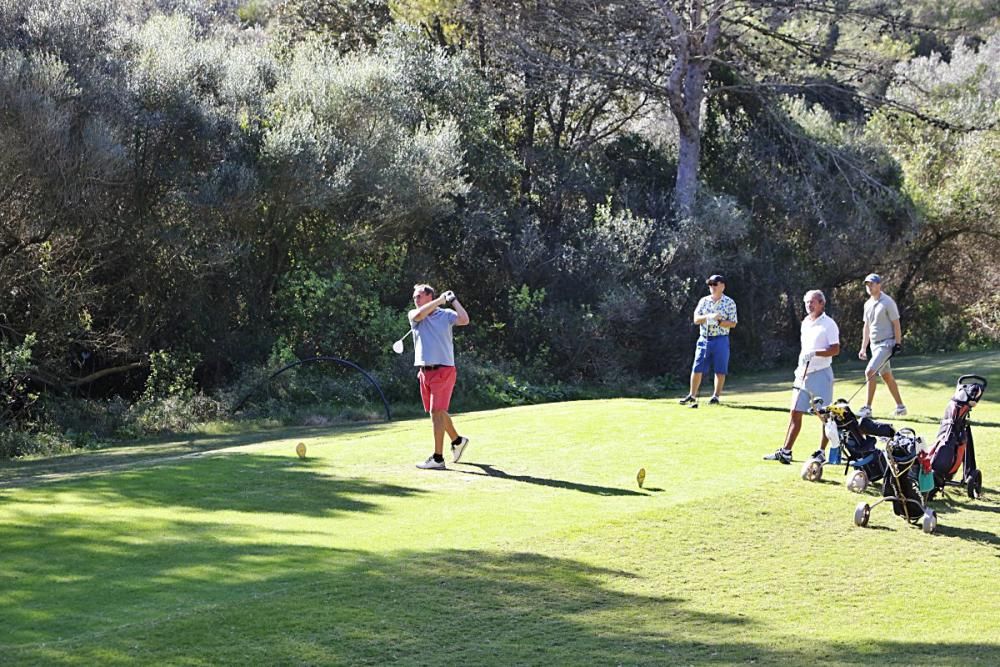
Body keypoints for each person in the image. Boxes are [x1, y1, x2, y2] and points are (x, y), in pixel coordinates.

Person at [764, 290, 840, 464]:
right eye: (806, 302)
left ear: (822, 303)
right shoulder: (805, 322)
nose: (809, 305)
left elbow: (835, 349)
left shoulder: (829, 324)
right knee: (795, 413)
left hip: (821, 374)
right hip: (803, 374)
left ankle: (822, 451)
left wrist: (816, 353)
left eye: (812, 302)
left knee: (824, 415)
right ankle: (786, 451)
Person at [408, 283, 471, 470]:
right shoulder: (414, 315)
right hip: (424, 372)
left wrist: (453, 301)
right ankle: (458, 441)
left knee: (437, 412)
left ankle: (437, 458)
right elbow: (419, 314)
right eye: (414, 297)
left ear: (429, 296)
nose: (416, 300)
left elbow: (464, 319)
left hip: (443, 370)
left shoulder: (445, 315)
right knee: (437, 412)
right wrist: (440, 300)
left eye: (419, 296)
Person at [678, 274, 738, 408]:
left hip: (721, 339)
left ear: (722, 286)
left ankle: (716, 396)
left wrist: (720, 321)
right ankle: (692, 395)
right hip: (704, 338)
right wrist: (708, 316)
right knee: (697, 367)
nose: (712, 287)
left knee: (720, 369)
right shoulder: (704, 301)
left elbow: (733, 323)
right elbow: (696, 319)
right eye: (710, 284)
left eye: (715, 284)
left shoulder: (729, 302)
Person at [857, 273, 906, 418]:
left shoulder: (888, 302)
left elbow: (896, 323)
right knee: (886, 376)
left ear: (879, 285)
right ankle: (901, 407)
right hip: (874, 345)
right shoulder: (867, 304)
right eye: (867, 284)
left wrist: (898, 343)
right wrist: (863, 347)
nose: (869, 287)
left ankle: (868, 408)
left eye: (872, 284)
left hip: (886, 344)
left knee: (869, 371)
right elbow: (866, 327)